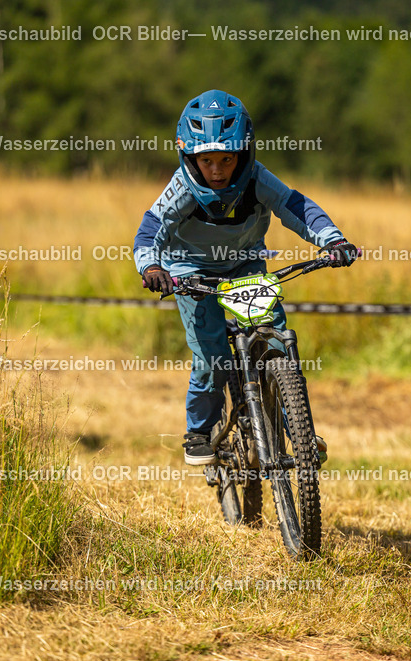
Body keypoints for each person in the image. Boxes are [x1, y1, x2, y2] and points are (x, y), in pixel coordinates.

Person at [133, 89, 359, 466]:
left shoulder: (256, 179)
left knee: (275, 343)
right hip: (190, 272)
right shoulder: (180, 189)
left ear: (244, 153)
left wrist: (333, 240)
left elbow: (296, 207)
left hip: (246, 264)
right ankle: (199, 431)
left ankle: (298, 434)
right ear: (190, 156)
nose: (218, 171)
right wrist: (153, 269)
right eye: (206, 161)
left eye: (227, 159)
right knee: (213, 356)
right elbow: (149, 231)